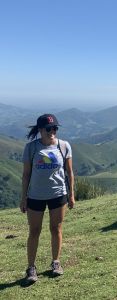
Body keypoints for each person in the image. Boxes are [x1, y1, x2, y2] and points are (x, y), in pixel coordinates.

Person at [20, 113, 75, 283]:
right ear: (40, 130)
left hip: (58, 194)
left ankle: (56, 262)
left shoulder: (64, 146)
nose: (52, 131)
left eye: (55, 128)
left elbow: (69, 172)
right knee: (34, 231)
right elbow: (26, 175)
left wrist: (71, 194)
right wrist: (23, 198)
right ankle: (31, 268)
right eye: (48, 129)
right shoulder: (31, 148)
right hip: (35, 196)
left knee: (56, 228)